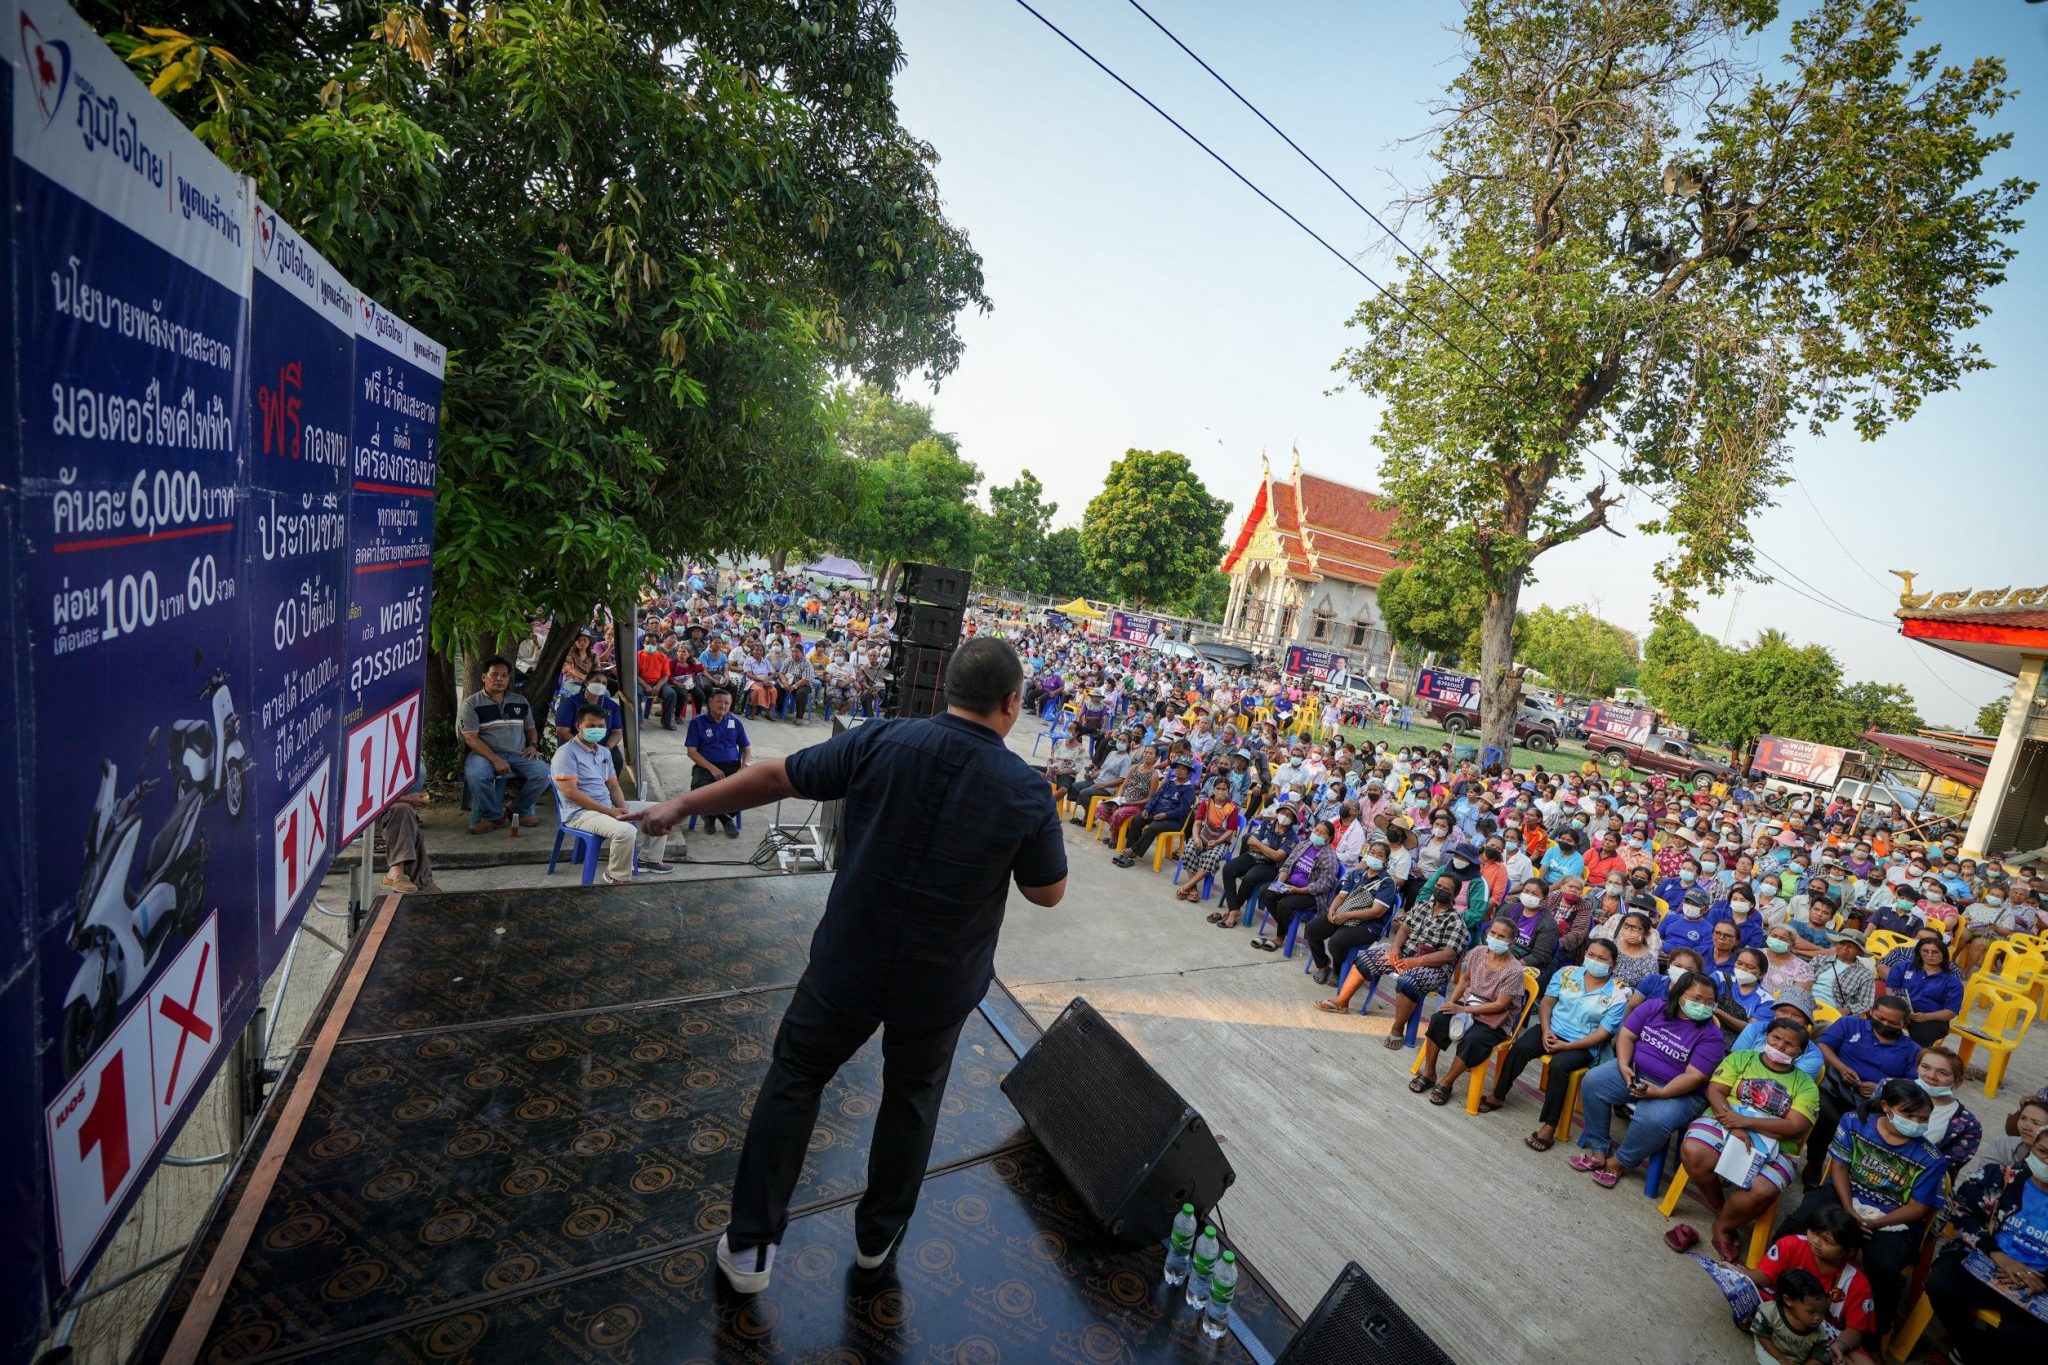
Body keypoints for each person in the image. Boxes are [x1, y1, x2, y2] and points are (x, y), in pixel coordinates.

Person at [627, 636, 1067, 1293]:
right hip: (938, 983)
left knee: (796, 1078)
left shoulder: (879, 739)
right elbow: (1047, 890)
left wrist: (682, 804)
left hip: (847, 963)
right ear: (1012, 703)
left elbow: (777, 775)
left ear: (946, 687)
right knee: (911, 1100)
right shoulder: (1024, 789)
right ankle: (875, 1241)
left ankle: (749, 1249)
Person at [1775, 1078, 1943, 1336]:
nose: (1917, 1124)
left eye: (1924, 1119)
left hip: (1891, 1217)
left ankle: (1872, 1332)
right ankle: (1777, 1283)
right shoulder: (1854, 1122)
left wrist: (1874, 1223)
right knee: (1799, 1223)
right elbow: (1839, 1168)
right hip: (1845, 1196)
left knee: (1883, 1266)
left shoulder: (1931, 1160)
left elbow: (1918, 1208)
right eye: (1910, 1115)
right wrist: (1849, 1210)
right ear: (1886, 1107)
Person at [1668, 1017, 1819, 1263]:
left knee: (1763, 1189)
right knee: (1694, 1150)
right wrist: (1733, 1124)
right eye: (1776, 1038)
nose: (1780, 1046)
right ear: (1766, 1037)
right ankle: (1723, 1211)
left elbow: (1794, 1126)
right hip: (1725, 1121)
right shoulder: (1742, 1058)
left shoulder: (1806, 1086)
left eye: (1790, 1045)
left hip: (1774, 1141)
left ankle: (1723, 1228)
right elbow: (1715, 1091)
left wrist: (1746, 1123)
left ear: (1800, 1053)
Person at [1572, 971, 1728, 1188]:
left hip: (1679, 1092)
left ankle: (1620, 1161)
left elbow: (1694, 1076)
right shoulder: (1655, 1007)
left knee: (1654, 1119)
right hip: (1636, 1072)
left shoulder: (1712, 1035)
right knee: (1594, 1081)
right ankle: (1599, 1148)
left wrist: (1661, 1093)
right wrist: (1624, 1065)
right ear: (1679, 994)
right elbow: (1627, 1035)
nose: (1703, 1005)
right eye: (1696, 999)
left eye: (1710, 1002)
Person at [1485, 937, 1630, 1150]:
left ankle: (1550, 1125)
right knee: (1521, 1048)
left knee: (1559, 1066)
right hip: (1552, 1029)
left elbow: (1603, 1033)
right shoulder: (1566, 973)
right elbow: (1547, 1003)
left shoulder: (1617, 996)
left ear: (1613, 965)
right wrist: (1546, 1030)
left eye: (1602, 958)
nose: (1594, 960)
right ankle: (1498, 1095)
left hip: (1583, 1043)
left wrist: (1567, 1047)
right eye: (1591, 955)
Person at [1686, 1205, 1878, 1365]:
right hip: (1786, 1310)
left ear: (1849, 1251)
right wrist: (1738, 1272)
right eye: (1813, 1232)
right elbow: (1764, 1276)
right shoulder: (1791, 1244)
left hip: (1823, 1332)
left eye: (1827, 1241)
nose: (1816, 1242)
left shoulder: (1857, 1283)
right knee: (1747, 1293)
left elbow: (1855, 1329)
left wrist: (1840, 1346)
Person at [1928, 1123, 2048, 1356]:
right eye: (2044, 1151)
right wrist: (1999, 1256)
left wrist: (2034, 1277)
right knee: (1942, 1284)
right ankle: (1970, 1348)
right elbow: (1962, 1212)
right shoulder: (1998, 1178)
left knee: (2025, 1337)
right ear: (2031, 1147)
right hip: (1985, 1259)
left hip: (2037, 1283)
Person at [1320, 874, 1470, 1045]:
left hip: (1433, 967)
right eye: (1439, 885)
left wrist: (1415, 962)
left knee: (1407, 982)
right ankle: (1341, 1002)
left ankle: (1398, 1029)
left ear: (1455, 895)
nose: (1440, 890)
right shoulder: (1423, 906)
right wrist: (1395, 949)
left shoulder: (1456, 921)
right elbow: (1405, 929)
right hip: (1405, 955)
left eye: (1446, 889)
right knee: (1366, 959)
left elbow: (1448, 955)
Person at [1409, 917, 1529, 1106]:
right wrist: (1452, 1002)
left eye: (1502, 936)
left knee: (1474, 1039)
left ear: (1512, 942)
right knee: (1439, 1019)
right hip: (1467, 1005)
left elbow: (1500, 1005)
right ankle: (1429, 1072)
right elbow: (1465, 979)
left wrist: (1463, 1008)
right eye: (1493, 933)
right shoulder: (1479, 952)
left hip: (1493, 1018)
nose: (1496, 938)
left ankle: (1447, 1083)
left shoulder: (1514, 970)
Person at [1804, 995, 1921, 1184]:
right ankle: (1815, 1161)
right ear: (1872, 1012)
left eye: (1893, 1023)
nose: (1885, 1024)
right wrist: (1841, 1068)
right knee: (1825, 1115)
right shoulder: (1850, 1024)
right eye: (1881, 1018)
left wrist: (1882, 1088)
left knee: (1863, 1127)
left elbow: (1912, 1083)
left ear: (1904, 1024)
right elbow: (1824, 1045)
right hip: (1836, 1086)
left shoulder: (1911, 1049)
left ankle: (1842, 1173)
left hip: (1874, 1102)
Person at [550, 703, 673, 882]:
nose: (597, 730)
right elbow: (570, 793)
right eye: (591, 726)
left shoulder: (603, 752)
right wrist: (610, 812)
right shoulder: (566, 754)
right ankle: (615, 875)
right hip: (580, 813)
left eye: (601, 726)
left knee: (662, 812)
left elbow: (614, 786)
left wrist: (622, 808)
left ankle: (649, 860)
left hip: (606, 806)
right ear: (579, 726)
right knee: (625, 832)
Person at [457, 656, 552, 833]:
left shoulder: (520, 701)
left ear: (509, 679)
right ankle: (492, 817)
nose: (499, 679)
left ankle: (516, 811)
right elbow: (470, 738)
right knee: (477, 774)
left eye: (504, 675)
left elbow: (531, 728)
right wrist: (494, 760)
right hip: (483, 755)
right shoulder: (471, 704)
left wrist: (533, 745)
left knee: (545, 773)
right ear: (484, 677)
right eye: (494, 675)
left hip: (518, 754)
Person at [1305, 840, 1402, 985]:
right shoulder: (1357, 873)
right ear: (1367, 854)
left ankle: (1338, 971)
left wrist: (1346, 916)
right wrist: (1332, 910)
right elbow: (1341, 896)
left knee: (1336, 942)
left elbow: (1376, 912)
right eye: (1372, 853)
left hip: (1368, 925)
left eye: (1380, 855)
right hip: (1344, 913)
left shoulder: (1387, 882)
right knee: (1312, 929)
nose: (1375, 857)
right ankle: (1323, 965)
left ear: (1386, 860)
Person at [1251, 819, 1341, 951]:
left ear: (1329, 838)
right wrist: (1280, 882)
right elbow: (1287, 864)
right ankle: (1286, 923)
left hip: (1310, 893)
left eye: (1322, 833)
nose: (1317, 834)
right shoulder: (1304, 845)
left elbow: (1323, 886)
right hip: (1289, 885)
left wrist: (1298, 890)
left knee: (1284, 904)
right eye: (1316, 830)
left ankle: (1279, 937)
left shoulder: (1330, 857)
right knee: (1265, 892)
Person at [1214, 801, 1299, 930]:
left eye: (1289, 815)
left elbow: (1277, 857)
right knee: (1228, 869)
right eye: (1283, 812)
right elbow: (1249, 841)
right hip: (1252, 856)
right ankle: (1234, 909)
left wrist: (1259, 845)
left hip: (1271, 866)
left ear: (1293, 820)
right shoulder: (1267, 823)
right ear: (1278, 812)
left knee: (1250, 877)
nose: (1285, 816)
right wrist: (1269, 850)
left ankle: (1232, 911)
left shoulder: (1292, 838)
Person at [684, 688, 751, 839]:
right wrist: (712, 768)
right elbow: (691, 752)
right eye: (719, 702)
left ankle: (710, 816)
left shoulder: (735, 722)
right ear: (710, 702)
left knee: (745, 789)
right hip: (705, 766)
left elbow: (747, 748)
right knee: (700, 789)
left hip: (732, 766)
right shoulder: (697, 723)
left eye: (727, 703)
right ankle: (725, 819)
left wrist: (744, 766)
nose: (723, 706)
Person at [1113, 756, 1197, 869]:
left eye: (1183, 769)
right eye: (1177, 768)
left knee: (1153, 827)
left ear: (1189, 772)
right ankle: (1129, 853)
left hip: (1173, 820)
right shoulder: (1169, 783)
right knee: (1137, 819)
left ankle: (1132, 851)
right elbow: (1156, 797)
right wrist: (1147, 808)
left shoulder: (1189, 789)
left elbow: (1183, 809)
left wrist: (1166, 815)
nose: (1179, 770)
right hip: (1156, 813)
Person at [1914, 1045, 1982, 1179]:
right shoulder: (1888, 1088)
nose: (1931, 1076)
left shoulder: (1968, 1125)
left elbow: (1944, 1170)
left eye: (1942, 1073)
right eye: (1925, 1067)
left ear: (1957, 1080)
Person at [1884, 935, 1963, 1046]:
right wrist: (1902, 1011)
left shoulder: (1952, 981)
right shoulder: (1903, 967)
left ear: (1943, 955)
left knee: (1920, 1037)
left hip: (1930, 1019)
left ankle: (1911, 1060)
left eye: (1935, 952)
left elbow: (1950, 1012)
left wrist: (1926, 1017)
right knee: (1879, 1024)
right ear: (1919, 952)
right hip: (1900, 1011)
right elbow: (1890, 989)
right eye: (1925, 951)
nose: (1929, 955)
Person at [1172, 776, 1241, 901]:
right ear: (1213, 789)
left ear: (1228, 791)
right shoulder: (1206, 803)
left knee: (1212, 858)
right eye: (1218, 788)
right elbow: (1197, 824)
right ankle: (1193, 888)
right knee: (1189, 850)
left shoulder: (1232, 808)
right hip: (1203, 835)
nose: (1220, 791)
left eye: (1223, 789)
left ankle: (1187, 886)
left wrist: (1217, 841)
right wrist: (1196, 837)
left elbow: (1230, 831)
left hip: (1221, 840)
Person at [1749, 1268, 1834, 1364]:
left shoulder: (1819, 1333)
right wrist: (1780, 1358)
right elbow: (1761, 1335)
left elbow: (1819, 1357)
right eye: (1811, 1312)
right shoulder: (1771, 1312)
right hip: (1770, 1351)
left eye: (1822, 1312)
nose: (1818, 1318)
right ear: (1789, 1301)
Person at [374, 787, 438, 894]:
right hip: (368, 820)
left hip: (396, 818)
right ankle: (398, 872)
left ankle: (400, 875)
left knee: (407, 818)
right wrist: (404, 799)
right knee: (403, 810)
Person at [1810, 929, 1876, 1017]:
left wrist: (1844, 1011)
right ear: (1836, 944)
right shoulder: (1820, 959)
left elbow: (1865, 1003)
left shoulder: (1865, 975)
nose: (1845, 948)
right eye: (1842, 943)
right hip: (1807, 999)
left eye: (1850, 946)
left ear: (1859, 951)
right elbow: (1804, 979)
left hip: (1833, 1010)